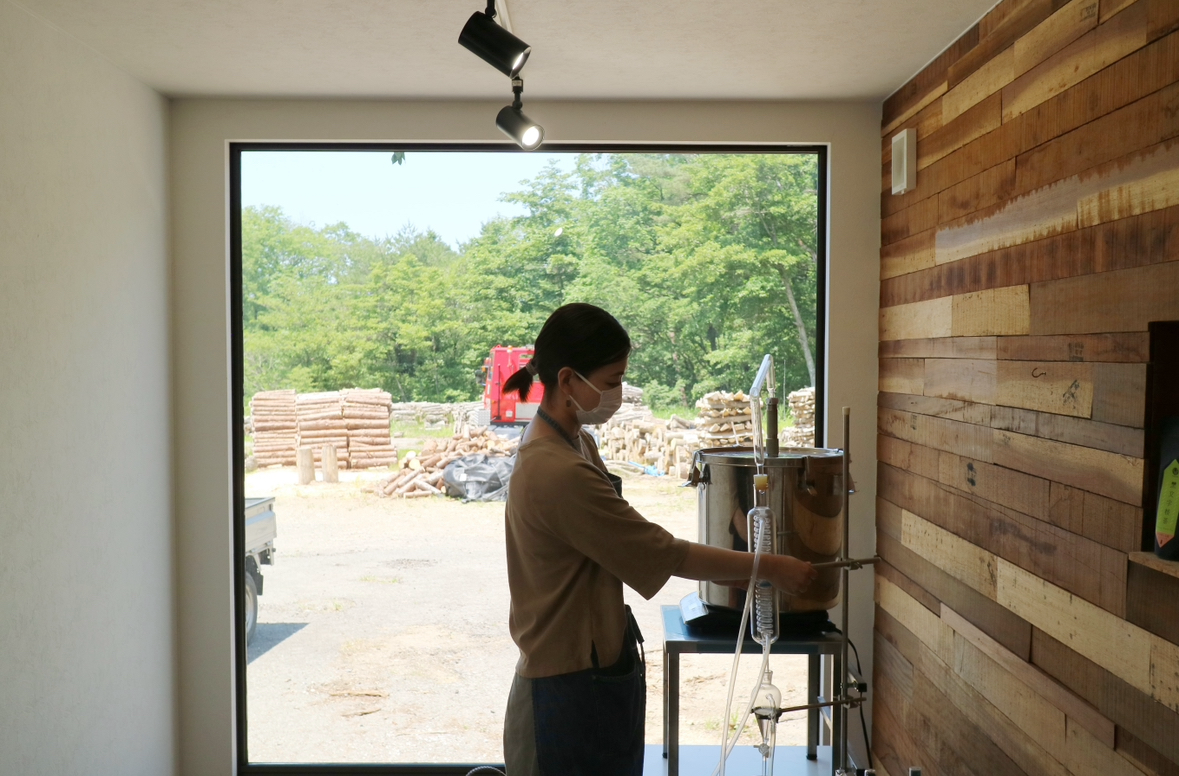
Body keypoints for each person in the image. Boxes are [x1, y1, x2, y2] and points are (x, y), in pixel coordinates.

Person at [500, 303, 817, 776]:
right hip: (566, 690)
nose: (618, 394)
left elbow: (623, 537)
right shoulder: (554, 469)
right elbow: (662, 553)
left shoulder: (576, 442)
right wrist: (771, 567)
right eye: (609, 382)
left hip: (595, 668)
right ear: (567, 381)